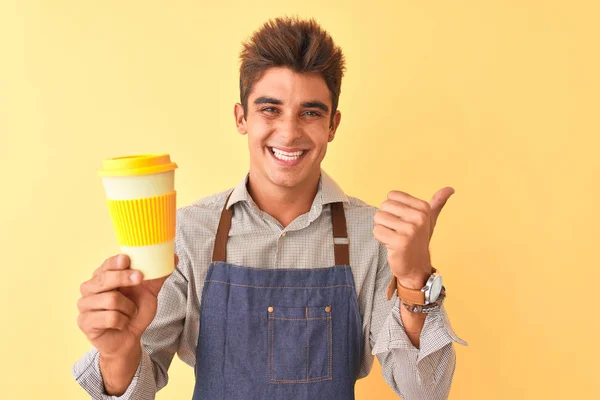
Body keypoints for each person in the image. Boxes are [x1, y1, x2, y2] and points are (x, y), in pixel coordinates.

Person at [73, 17, 467, 400]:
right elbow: (135, 393)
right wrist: (119, 353)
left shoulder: (375, 238)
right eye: (270, 109)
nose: (290, 131)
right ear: (242, 117)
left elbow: (425, 393)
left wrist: (415, 281)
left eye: (311, 112)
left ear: (333, 125)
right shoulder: (189, 232)